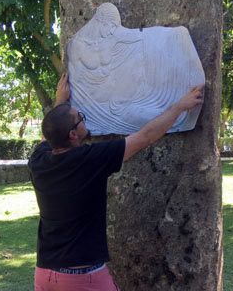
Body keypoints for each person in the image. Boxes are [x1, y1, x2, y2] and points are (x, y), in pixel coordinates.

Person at [29, 72, 204, 291]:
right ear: (73, 135)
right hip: (82, 276)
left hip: (45, 273)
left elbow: (49, 134)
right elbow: (145, 137)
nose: (83, 118)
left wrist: (60, 102)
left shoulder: (38, 160)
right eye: (80, 118)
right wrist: (179, 107)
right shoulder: (90, 160)